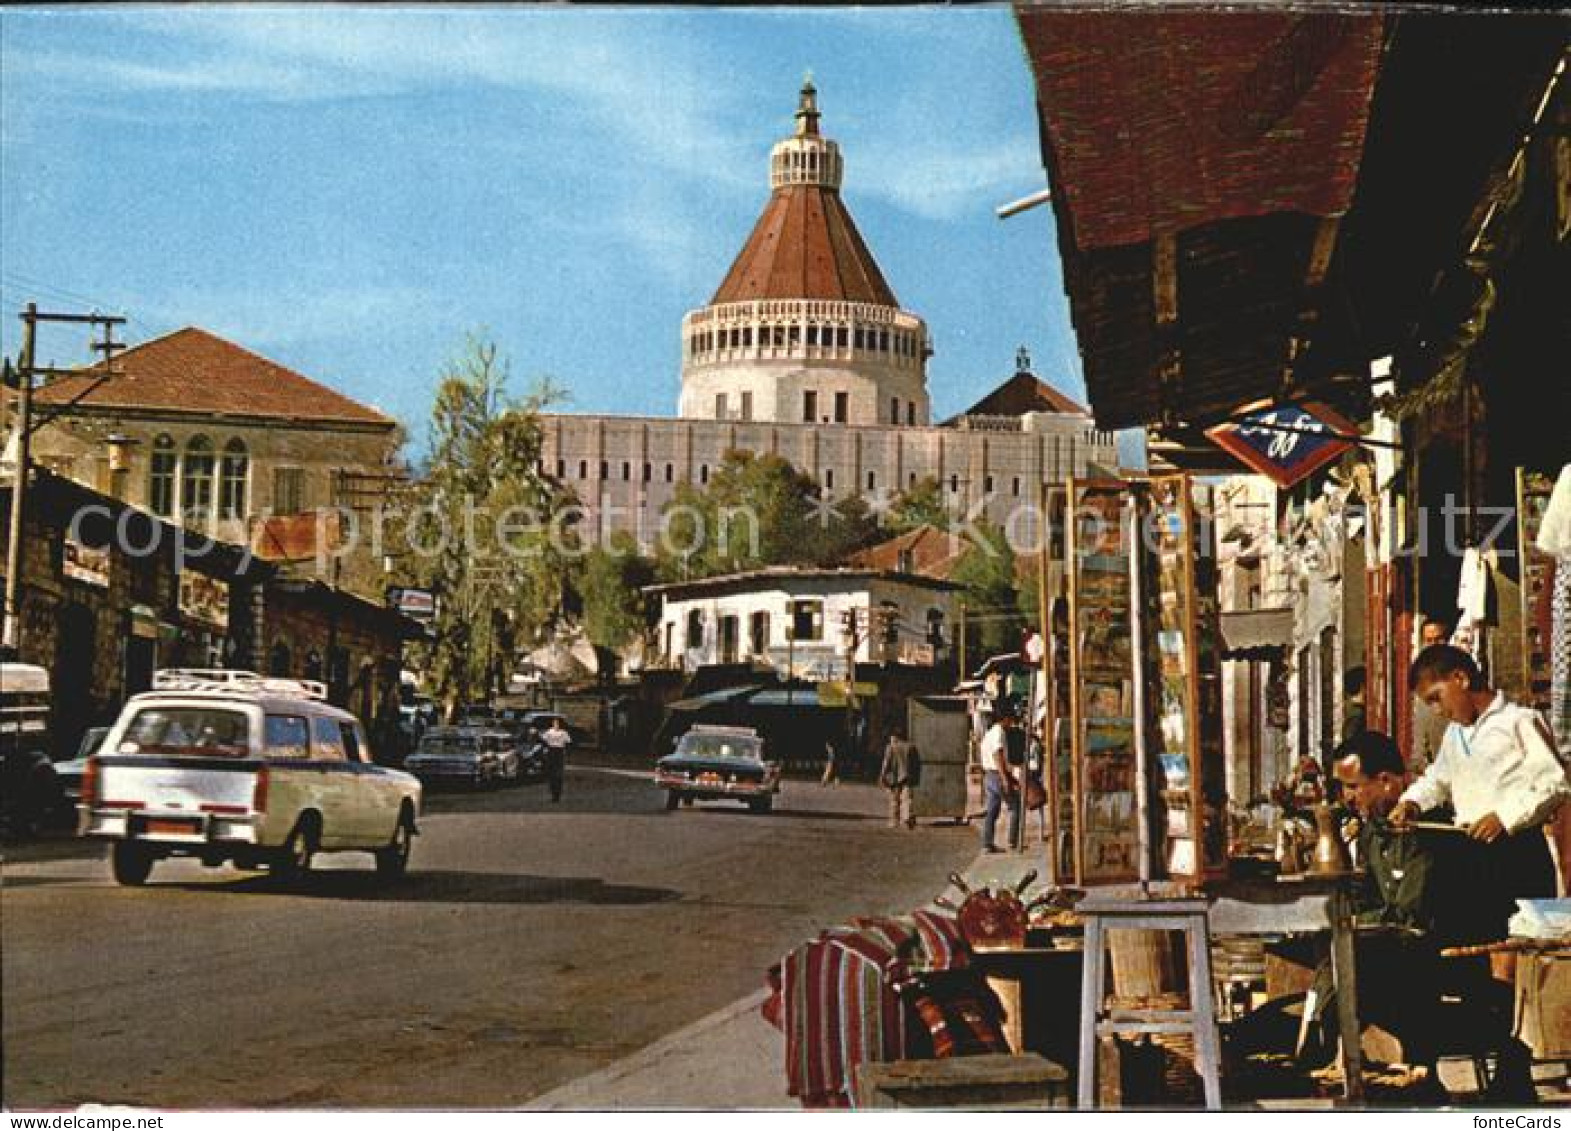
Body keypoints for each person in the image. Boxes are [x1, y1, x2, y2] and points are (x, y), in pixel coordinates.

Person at [1392, 644, 1570, 941]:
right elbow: (1438, 779)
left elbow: (1554, 783)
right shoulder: (1455, 734)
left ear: (1460, 679)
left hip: (1516, 853)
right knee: (1471, 949)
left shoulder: (1518, 721)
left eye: (1437, 698)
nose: (1438, 711)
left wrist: (1504, 817)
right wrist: (1412, 802)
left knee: (1514, 948)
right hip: (1469, 855)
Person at [1411, 619, 1452, 774]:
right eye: (1429, 640)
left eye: (1439, 639)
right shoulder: (1421, 680)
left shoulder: (1458, 675)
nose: (1434, 645)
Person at [979, 708, 1021, 854]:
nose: (1011, 724)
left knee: (992, 810)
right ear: (1005, 719)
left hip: (989, 775)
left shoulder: (989, 733)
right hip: (997, 774)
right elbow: (998, 755)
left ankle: (987, 843)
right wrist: (1005, 778)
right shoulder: (998, 733)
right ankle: (1013, 841)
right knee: (1016, 806)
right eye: (1010, 720)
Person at [879, 728, 920, 830]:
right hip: (908, 777)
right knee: (907, 799)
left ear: (894, 736)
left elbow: (886, 763)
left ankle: (894, 821)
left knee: (894, 800)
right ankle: (906, 819)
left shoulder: (890, 747)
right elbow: (917, 764)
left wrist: (882, 775)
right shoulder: (911, 747)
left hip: (894, 778)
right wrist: (916, 777)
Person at [540, 717, 571, 803]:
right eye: (554, 723)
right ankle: (553, 792)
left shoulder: (563, 733)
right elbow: (543, 740)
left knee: (558, 773)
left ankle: (557, 794)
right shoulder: (549, 732)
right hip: (551, 751)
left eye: (557, 723)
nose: (556, 725)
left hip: (559, 751)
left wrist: (565, 751)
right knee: (551, 773)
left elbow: (568, 742)